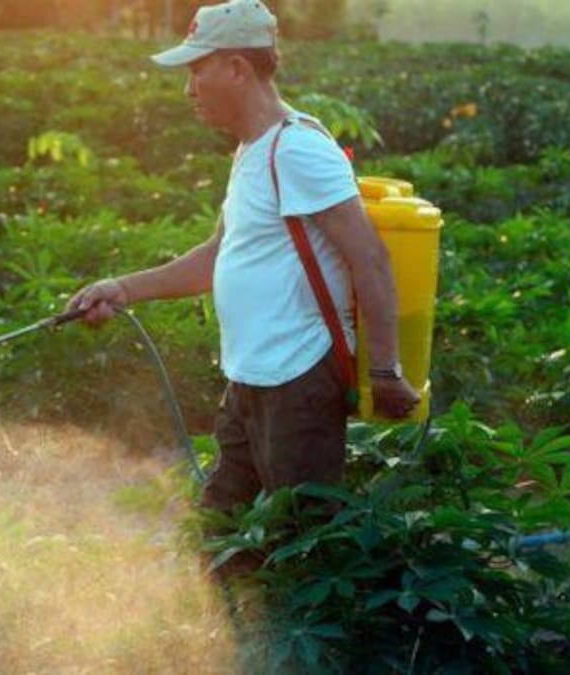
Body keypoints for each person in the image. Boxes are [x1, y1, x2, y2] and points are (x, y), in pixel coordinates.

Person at [65, 0, 420, 517]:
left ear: (236, 68)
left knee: (299, 538)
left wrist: (385, 370)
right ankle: (232, 601)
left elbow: (371, 260)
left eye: (196, 70)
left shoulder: (298, 149)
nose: (188, 89)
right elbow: (216, 256)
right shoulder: (253, 149)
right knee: (225, 530)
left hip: (298, 380)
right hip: (251, 377)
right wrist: (122, 288)